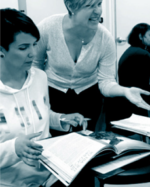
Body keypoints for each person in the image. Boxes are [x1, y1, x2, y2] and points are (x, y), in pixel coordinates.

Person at [0, 8, 92, 187]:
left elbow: (39, 113)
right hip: (12, 181)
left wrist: (61, 119)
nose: (33, 53)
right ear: (1, 50)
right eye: (23, 47)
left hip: (49, 173)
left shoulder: (39, 77)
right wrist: (14, 148)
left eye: (34, 44)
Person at [33, 0, 150, 135]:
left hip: (88, 94)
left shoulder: (105, 38)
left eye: (99, 4)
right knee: (55, 140)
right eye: (89, 5)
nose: (98, 11)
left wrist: (125, 91)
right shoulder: (48, 28)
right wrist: (37, 96)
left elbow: (106, 81)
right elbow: (35, 66)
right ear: (71, 7)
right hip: (52, 92)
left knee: (85, 139)